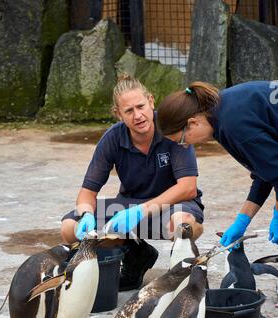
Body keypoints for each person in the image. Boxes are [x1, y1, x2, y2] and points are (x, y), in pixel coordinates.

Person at [157, 80, 278, 318]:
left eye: (183, 139)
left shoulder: (233, 123)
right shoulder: (224, 113)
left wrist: (277, 213)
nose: (187, 146)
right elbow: (266, 171)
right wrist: (243, 221)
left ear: (193, 121)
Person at [61, 75, 204, 291]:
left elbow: (188, 187)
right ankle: (136, 254)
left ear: (151, 101)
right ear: (118, 114)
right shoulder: (113, 138)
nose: (138, 115)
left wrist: (141, 210)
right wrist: (86, 215)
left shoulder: (170, 127)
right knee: (70, 229)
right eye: (129, 111)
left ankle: (185, 280)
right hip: (128, 208)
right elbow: (86, 193)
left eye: (141, 106)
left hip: (173, 205)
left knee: (182, 223)